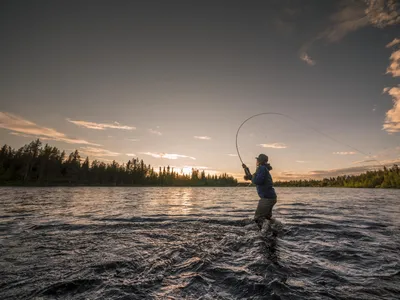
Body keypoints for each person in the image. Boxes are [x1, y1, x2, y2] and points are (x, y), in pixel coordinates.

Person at [242, 154, 277, 230]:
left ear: (259, 161)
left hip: (266, 198)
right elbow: (254, 177)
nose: (256, 161)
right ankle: (273, 231)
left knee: (258, 219)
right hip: (271, 197)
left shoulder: (261, 168)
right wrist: (246, 169)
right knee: (266, 219)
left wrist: (250, 177)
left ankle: (263, 234)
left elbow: (257, 180)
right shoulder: (264, 168)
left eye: (257, 160)